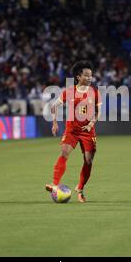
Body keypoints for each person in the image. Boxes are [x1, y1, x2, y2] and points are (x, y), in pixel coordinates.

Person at [45, 61, 102, 203]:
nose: (90, 78)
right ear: (78, 76)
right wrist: (54, 122)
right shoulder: (69, 92)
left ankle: (80, 189)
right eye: (87, 75)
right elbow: (54, 106)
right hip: (72, 130)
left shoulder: (94, 92)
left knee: (88, 160)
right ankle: (55, 184)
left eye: (91, 76)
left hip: (88, 131)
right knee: (64, 153)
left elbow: (98, 112)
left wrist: (91, 124)